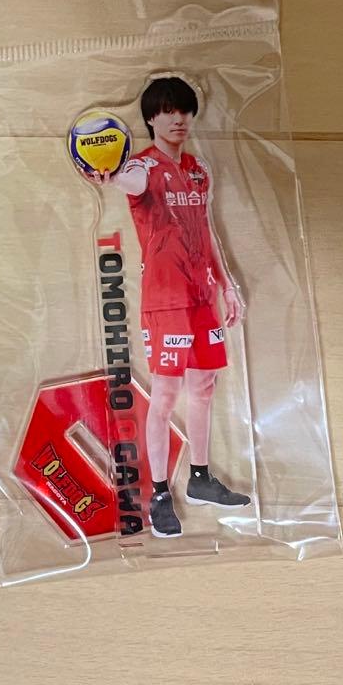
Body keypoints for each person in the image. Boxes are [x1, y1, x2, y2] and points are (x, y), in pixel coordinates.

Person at [94, 76, 250, 538]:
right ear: (151, 119)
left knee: (204, 387)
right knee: (165, 395)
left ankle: (199, 478)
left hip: (203, 297)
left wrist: (228, 286)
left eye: (183, 110)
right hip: (165, 302)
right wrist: (108, 174)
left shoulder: (199, 170)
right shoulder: (142, 167)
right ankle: (160, 494)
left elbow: (207, 230)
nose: (177, 119)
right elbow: (128, 181)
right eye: (167, 111)